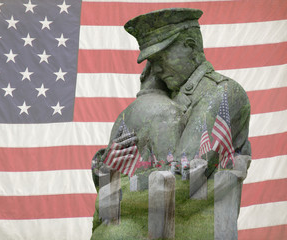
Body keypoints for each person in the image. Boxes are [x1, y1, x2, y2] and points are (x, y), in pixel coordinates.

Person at [93, 8, 251, 175]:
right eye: (152, 62)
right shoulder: (163, 95)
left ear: (191, 46)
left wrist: (113, 183)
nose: (157, 69)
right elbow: (107, 188)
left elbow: (183, 180)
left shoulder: (221, 93)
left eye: (161, 58)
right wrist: (105, 170)